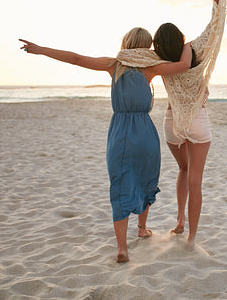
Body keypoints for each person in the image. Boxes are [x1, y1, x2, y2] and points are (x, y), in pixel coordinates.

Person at [19, 28, 192, 262]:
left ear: (126, 42)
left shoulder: (114, 65)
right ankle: (141, 228)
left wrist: (41, 50)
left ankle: (122, 248)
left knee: (121, 183)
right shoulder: (151, 66)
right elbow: (183, 65)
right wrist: (188, 45)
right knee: (145, 178)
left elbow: (76, 58)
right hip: (145, 131)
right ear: (146, 46)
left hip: (120, 131)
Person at [116, 0, 227, 244]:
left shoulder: (157, 59)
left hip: (172, 122)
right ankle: (192, 236)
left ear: (159, 44)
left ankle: (180, 220)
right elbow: (216, 24)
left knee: (182, 170)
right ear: (181, 37)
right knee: (196, 179)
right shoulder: (195, 49)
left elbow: (128, 55)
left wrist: (122, 54)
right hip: (198, 120)